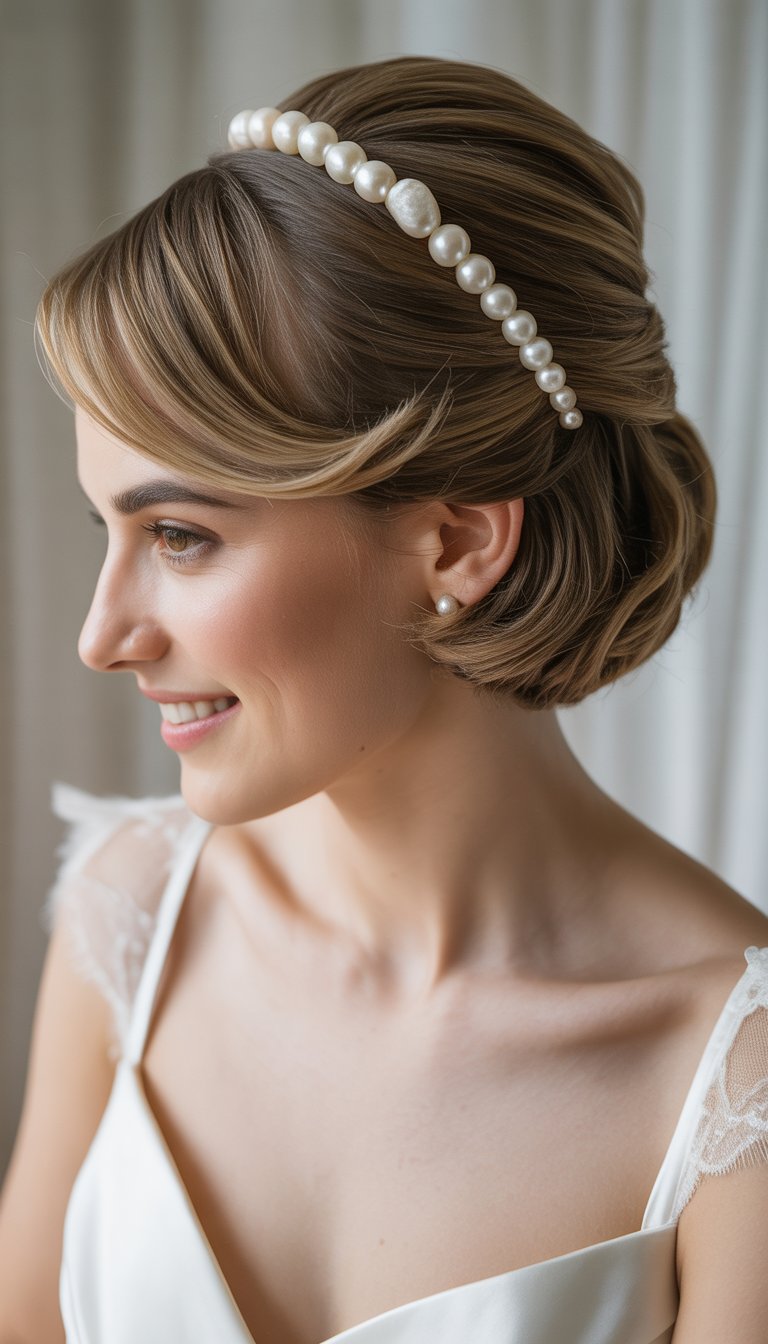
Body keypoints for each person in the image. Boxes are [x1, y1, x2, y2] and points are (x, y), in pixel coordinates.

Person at [1, 52, 766, 1344]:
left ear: (459, 544)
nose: (102, 635)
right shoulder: (131, 922)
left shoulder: (727, 1087)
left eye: (180, 536)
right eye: (105, 532)